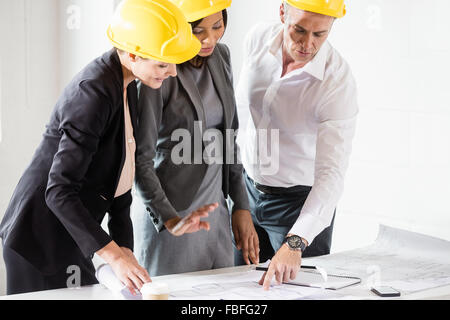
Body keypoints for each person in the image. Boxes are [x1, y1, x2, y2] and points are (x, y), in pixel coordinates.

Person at [0, 0, 206, 295]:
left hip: (74, 237)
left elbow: (120, 183)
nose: (172, 72)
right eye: (163, 63)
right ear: (133, 54)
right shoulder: (93, 92)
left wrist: (125, 251)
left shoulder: (127, 83)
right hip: (38, 241)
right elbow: (58, 190)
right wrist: (114, 256)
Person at [235, 0, 359, 290]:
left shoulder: (336, 81)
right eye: (299, 30)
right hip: (247, 192)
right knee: (238, 288)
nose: (307, 44)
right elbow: (240, 113)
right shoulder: (256, 39)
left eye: (320, 34)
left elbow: (332, 173)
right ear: (282, 13)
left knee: (298, 293)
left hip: (297, 206)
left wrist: (296, 241)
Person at [132, 0, 259, 277]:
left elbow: (230, 138)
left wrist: (241, 206)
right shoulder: (158, 68)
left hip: (215, 208)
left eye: (217, 26)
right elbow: (139, 160)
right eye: (197, 31)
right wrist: (170, 219)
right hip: (174, 213)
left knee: (223, 293)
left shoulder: (221, 56)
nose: (209, 38)